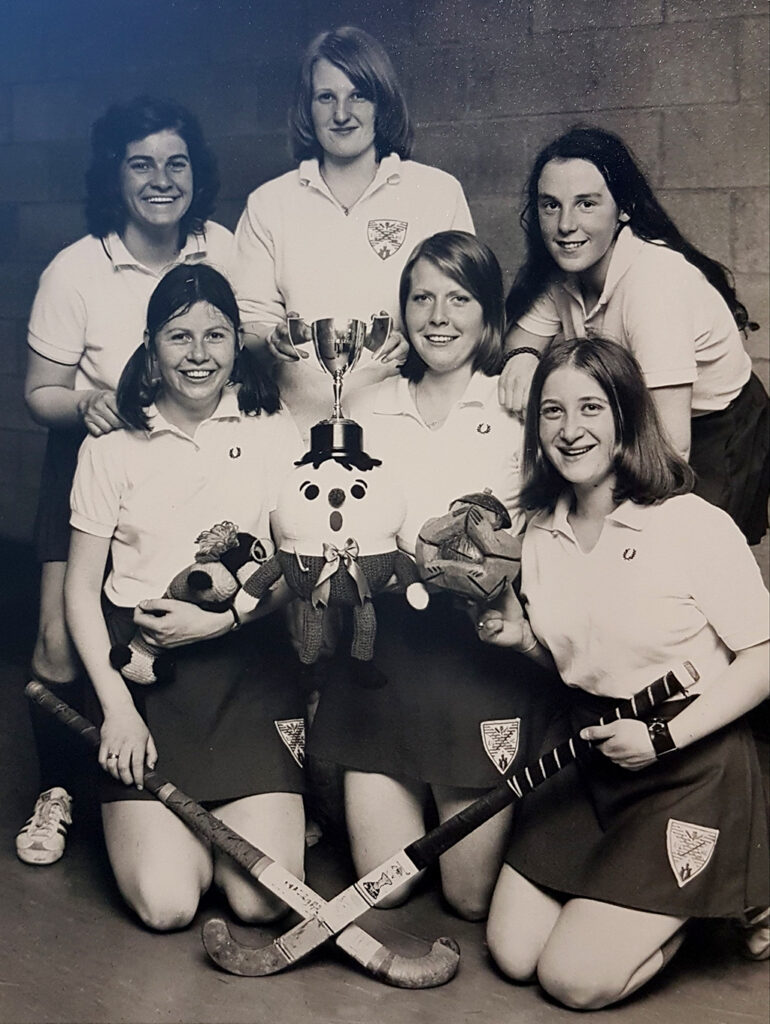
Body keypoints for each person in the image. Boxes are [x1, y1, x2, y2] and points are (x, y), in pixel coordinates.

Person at [478, 336, 769, 1008]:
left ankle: (707, 908)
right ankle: (649, 908)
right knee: (514, 954)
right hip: (591, 758)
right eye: (552, 412)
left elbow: (764, 656)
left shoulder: (690, 524)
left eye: (590, 407)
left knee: (572, 981)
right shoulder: (540, 531)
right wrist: (525, 642)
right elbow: (586, 663)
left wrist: (664, 739)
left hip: (686, 765)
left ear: (625, 415)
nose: (570, 429)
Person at [309, 231, 559, 920]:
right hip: (387, 654)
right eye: (422, 298)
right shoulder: (365, 409)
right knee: (388, 890)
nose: (439, 316)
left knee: (469, 899)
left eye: (459, 298)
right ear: (403, 310)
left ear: (489, 316)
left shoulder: (517, 409)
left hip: (480, 658)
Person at [19, 96, 233, 865]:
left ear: (195, 174)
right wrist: (87, 401)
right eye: (141, 163)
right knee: (56, 643)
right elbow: (38, 393)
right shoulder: (75, 268)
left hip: (189, 465)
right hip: (94, 455)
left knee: (195, 611)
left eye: (176, 163)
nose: (160, 179)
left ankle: (226, 778)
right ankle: (61, 790)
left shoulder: (222, 249)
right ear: (116, 175)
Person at [63, 265, 306, 930]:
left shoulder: (272, 430)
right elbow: (81, 593)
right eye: (179, 337)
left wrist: (225, 620)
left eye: (216, 335)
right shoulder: (110, 447)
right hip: (142, 676)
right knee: (169, 904)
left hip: (248, 672)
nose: (199, 355)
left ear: (236, 343)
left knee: (263, 900)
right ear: (150, 344)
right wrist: (115, 711)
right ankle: (169, 832)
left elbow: (293, 564)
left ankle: (237, 821)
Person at [497, 125, 768, 545]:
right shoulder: (564, 271)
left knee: (687, 549)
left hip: (715, 426)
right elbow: (515, 345)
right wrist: (524, 357)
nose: (565, 224)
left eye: (586, 204)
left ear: (623, 208)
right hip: (638, 418)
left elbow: (672, 450)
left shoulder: (652, 282)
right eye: (551, 205)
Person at [229, 25, 474, 440]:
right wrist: (269, 341)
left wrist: (416, 344)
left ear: (382, 102)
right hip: (295, 437)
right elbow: (249, 324)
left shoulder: (437, 192)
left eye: (357, 94)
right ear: (308, 108)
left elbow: (467, 311)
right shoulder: (269, 203)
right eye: (326, 97)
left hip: (411, 431)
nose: (341, 113)